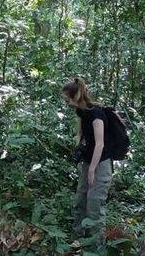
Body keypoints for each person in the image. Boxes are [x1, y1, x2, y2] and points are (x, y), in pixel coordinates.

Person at [61, 77, 112, 242]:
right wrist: (80, 158)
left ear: (75, 96)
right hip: (88, 160)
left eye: (67, 98)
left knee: (94, 205)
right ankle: (76, 239)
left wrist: (92, 170)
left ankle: (96, 245)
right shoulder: (80, 112)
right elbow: (81, 135)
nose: (66, 102)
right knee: (81, 200)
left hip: (101, 163)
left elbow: (100, 144)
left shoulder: (96, 113)